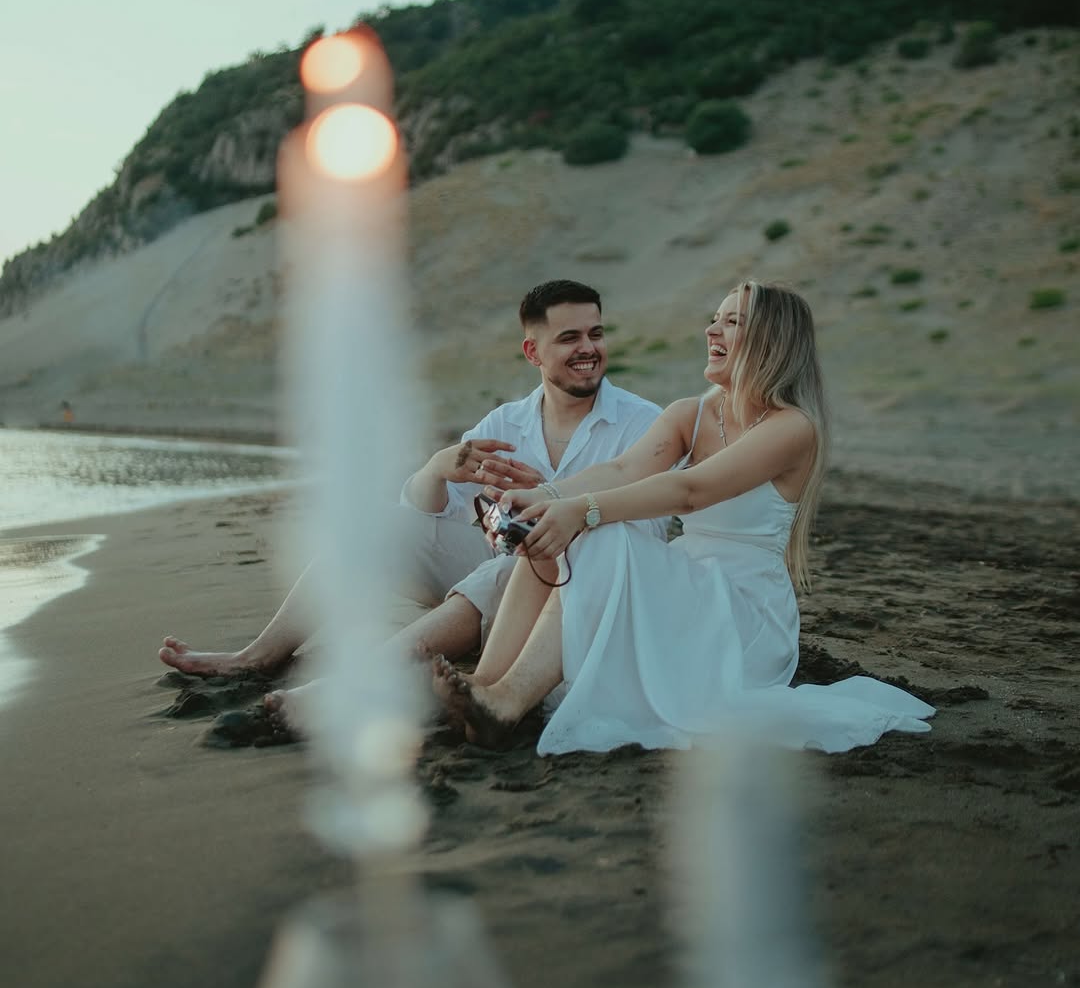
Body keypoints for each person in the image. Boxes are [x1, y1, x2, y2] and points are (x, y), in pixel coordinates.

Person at [432, 279, 935, 756]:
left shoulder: (792, 428)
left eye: (731, 323)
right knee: (552, 535)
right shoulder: (691, 412)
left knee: (600, 533)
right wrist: (543, 496)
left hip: (742, 612)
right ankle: (487, 689)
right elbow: (623, 468)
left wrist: (579, 511)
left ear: (771, 342)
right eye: (714, 319)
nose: (711, 332)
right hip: (686, 583)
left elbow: (690, 491)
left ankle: (508, 700)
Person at [157, 280, 663, 694]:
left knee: (510, 565)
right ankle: (258, 656)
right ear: (533, 351)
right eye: (570, 338)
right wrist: (436, 471)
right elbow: (428, 518)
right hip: (488, 579)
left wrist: (557, 510)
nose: (589, 349)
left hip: (582, 590)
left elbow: (652, 527)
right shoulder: (505, 424)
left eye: (595, 334)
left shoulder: (643, 423)